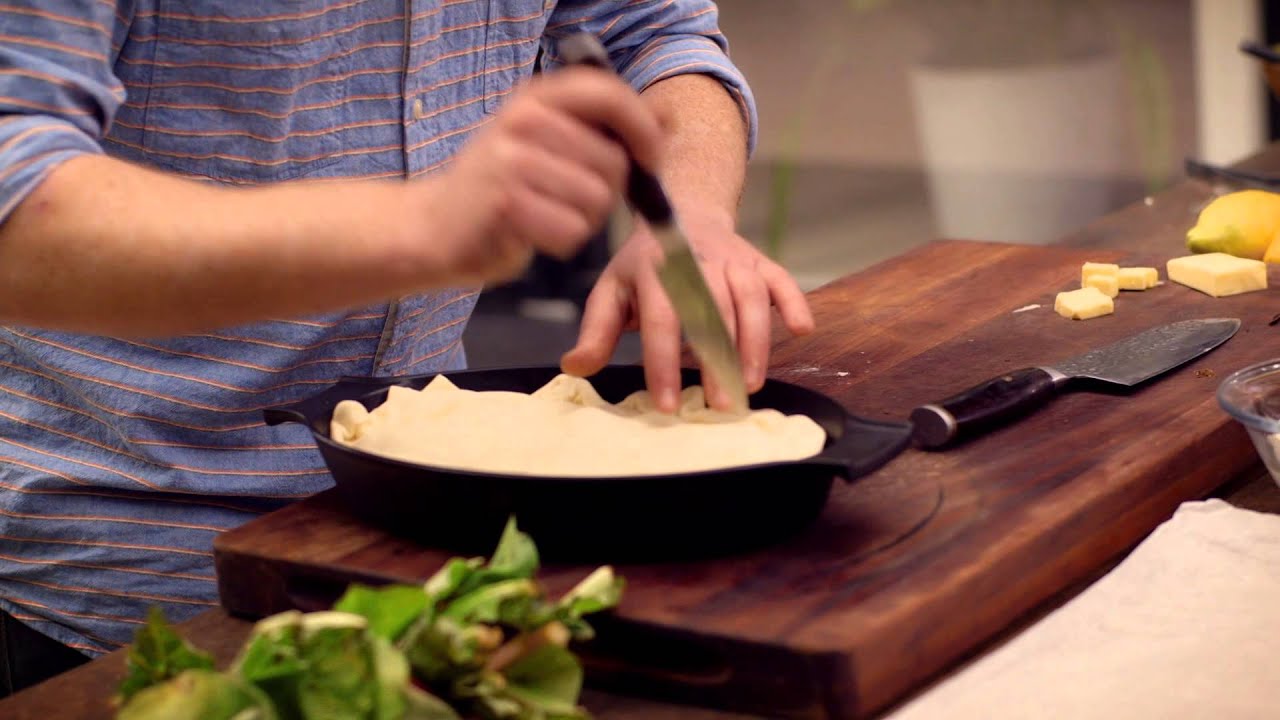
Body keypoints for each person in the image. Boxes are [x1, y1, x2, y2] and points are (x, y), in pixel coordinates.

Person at [0, 0, 815, 694]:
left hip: (434, 556)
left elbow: (648, 32)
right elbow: (16, 200)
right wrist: (421, 226)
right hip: (113, 585)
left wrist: (690, 213)